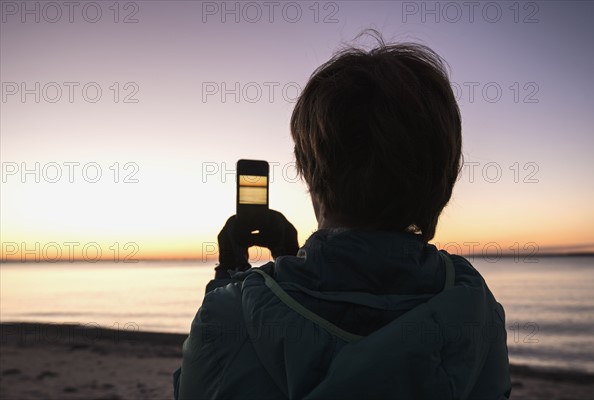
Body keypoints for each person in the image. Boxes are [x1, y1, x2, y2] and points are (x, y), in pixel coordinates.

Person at [173, 31, 511, 400]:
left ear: (311, 174)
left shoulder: (230, 317)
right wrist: (290, 262)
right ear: (441, 180)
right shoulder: (477, 312)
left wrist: (231, 276)